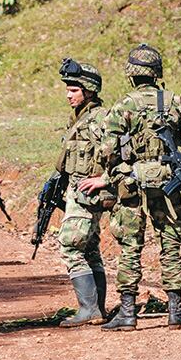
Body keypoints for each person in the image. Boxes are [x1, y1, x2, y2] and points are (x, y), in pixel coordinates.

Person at [80, 44, 181, 331]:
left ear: (132, 75)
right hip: (168, 182)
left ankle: (127, 312)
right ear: (157, 73)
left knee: (130, 246)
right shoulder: (177, 103)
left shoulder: (123, 106)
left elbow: (106, 150)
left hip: (132, 182)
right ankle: (176, 310)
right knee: (170, 243)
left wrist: (119, 171)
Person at [53, 58, 113, 327]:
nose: (68, 94)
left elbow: (122, 156)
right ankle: (96, 309)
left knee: (69, 244)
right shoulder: (80, 118)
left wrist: (104, 179)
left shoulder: (99, 119)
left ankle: (88, 309)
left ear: (89, 90)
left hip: (87, 192)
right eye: (67, 89)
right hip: (77, 190)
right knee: (89, 249)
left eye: (74, 90)